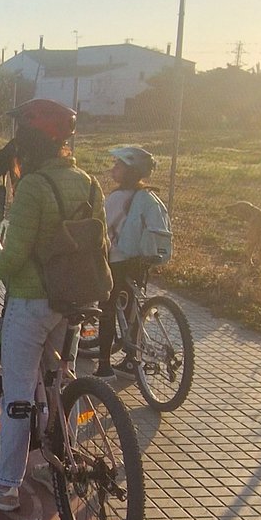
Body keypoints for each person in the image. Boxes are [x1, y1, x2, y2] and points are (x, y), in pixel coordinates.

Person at [0, 99, 107, 511]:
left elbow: (13, 259)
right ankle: (62, 462)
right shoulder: (91, 183)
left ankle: (5, 484)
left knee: (18, 393)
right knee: (63, 383)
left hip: (32, 303)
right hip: (75, 298)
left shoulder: (34, 187)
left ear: (30, 143)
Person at [96, 145, 171, 378]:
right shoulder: (149, 196)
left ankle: (104, 365)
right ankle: (131, 360)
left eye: (117, 165)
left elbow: (101, 228)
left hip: (118, 261)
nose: (113, 169)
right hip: (140, 260)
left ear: (129, 171)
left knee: (106, 310)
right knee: (133, 309)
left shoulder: (116, 198)